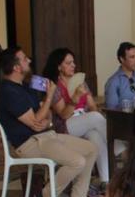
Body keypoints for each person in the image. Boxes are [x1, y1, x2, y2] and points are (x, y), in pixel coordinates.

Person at [0, 46, 98, 197]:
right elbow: (35, 120)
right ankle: (45, 196)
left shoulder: (25, 86)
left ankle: (78, 196)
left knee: (91, 148)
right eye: (24, 59)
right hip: (29, 143)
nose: (29, 60)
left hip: (46, 136)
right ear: (16, 67)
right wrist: (49, 97)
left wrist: (47, 119)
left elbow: (45, 113)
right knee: (77, 162)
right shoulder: (9, 92)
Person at [42, 47, 110, 182]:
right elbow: (63, 114)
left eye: (73, 62)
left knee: (96, 136)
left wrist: (90, 119)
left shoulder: (80, 81)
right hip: (65, 126)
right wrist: (76, 97)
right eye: (68, 63)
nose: (73, 65)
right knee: (95, 117)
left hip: (83, 121)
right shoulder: (55, 86)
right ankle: (115, 142)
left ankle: (105, 181)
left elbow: (92, 106)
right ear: (59, 66)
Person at [103, 42, 135, 109]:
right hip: (123, 118)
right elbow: (112, 111)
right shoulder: (113, 82)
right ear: (122, 59)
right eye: (132, 57)